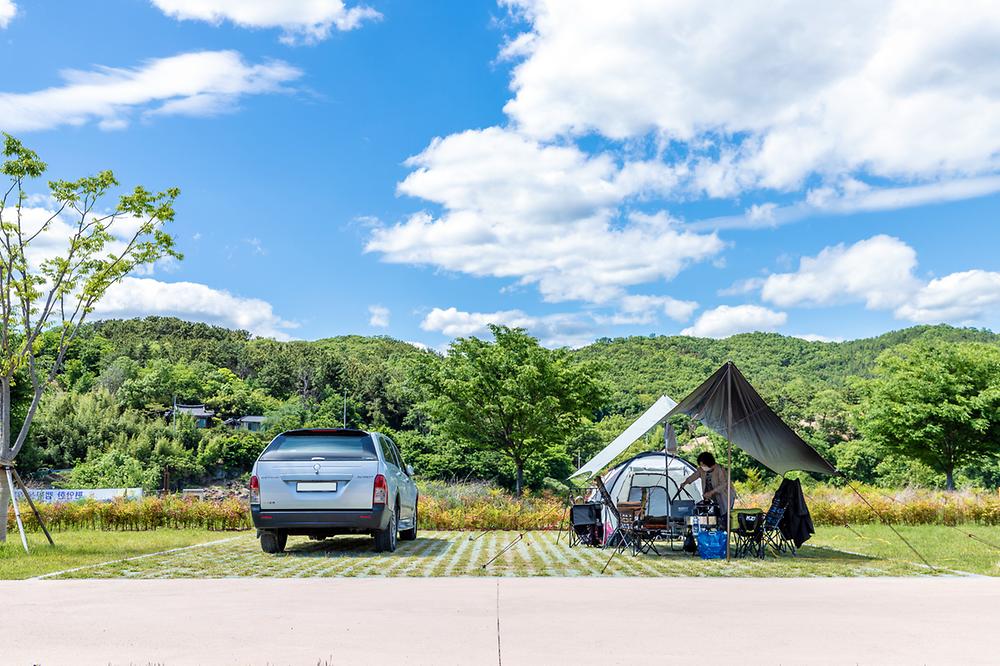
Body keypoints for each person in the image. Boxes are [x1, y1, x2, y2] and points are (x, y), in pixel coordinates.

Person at [677, 452, 736, 529]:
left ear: (709, 463)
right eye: (700, 465)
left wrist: (711, 492)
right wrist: (685, 483)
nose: (702, 467)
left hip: (725, 495)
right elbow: (693, 476)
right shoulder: (701, 470)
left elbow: (723, 484)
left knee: (724, 514)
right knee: (713, 513)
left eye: (703, 465)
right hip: (712, 496)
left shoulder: (720, 469)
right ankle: (714, 528)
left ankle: (724, 530)